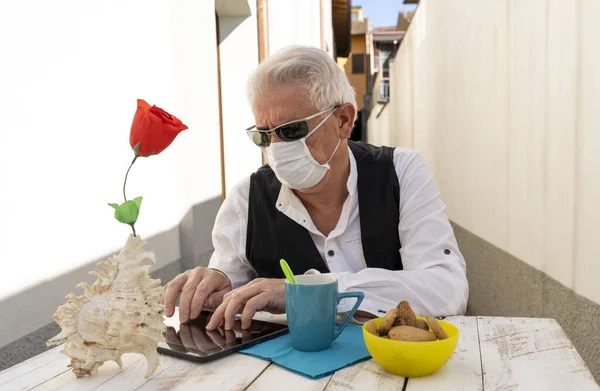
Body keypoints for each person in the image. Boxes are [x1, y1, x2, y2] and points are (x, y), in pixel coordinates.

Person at [162, 45, 469, 331]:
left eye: (292, 130)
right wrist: (215, 283)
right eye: (263, 136)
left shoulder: (401, 172)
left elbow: (447, 287)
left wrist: (313, 291)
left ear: (344, 120)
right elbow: (230, 287)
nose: (276, 148)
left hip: (399, 367)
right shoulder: (246, 200)